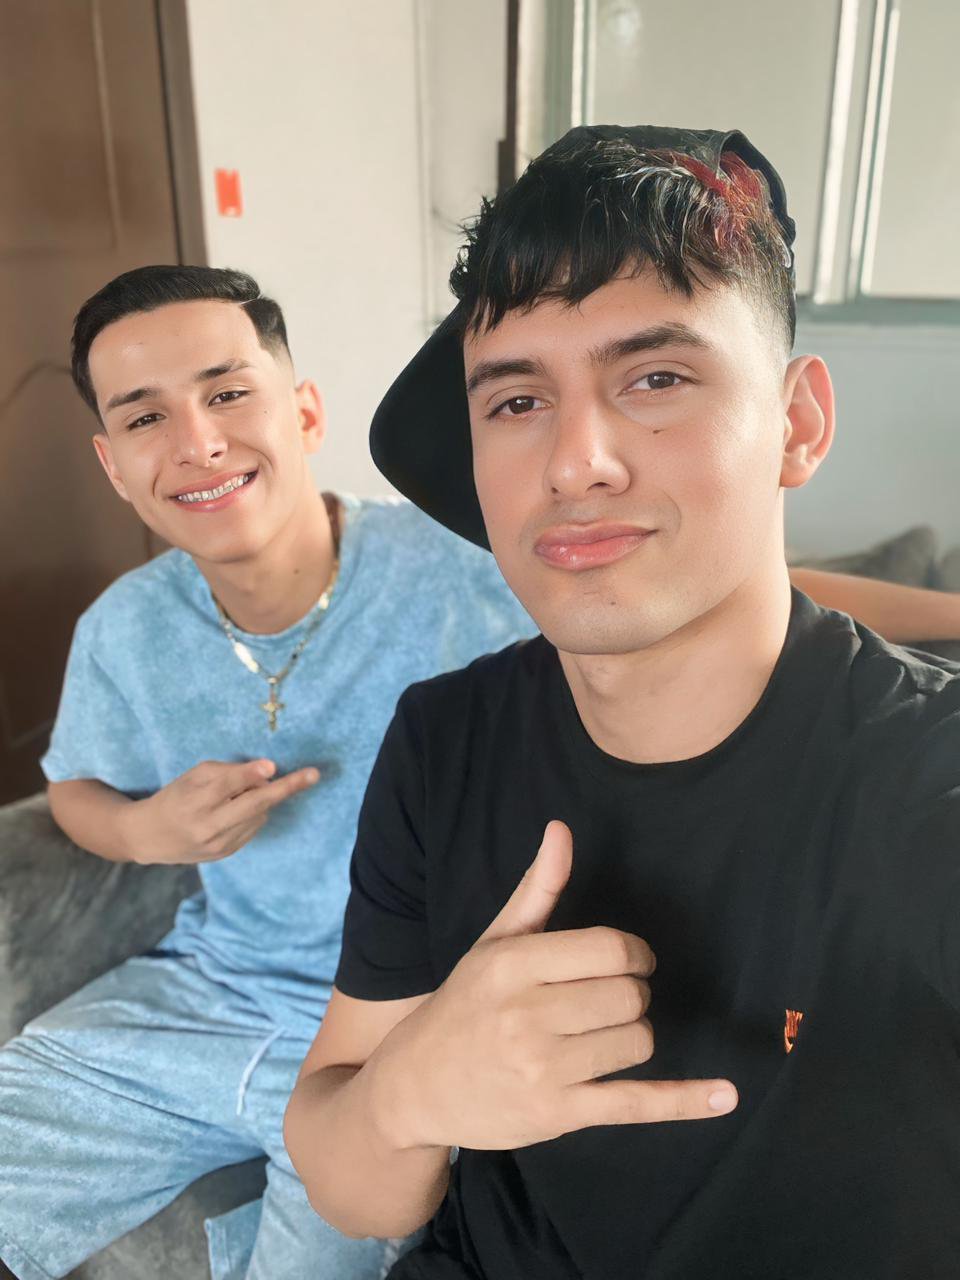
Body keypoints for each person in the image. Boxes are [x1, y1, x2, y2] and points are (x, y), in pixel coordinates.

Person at [285, 126, 960, 1280]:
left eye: (655, 378)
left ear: (798, 422)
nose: (576, 461)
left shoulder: (920, 779)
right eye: (516, 400)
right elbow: (350, 1186)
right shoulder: (445, 739)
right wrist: (411, 1089)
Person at [0, 265, 538, 1280]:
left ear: (306, 412)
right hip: (208, 992)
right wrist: (148, 830)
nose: (198, 442)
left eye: (229, 393)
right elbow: (74, 789)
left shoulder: (467, 571)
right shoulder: (124, 628)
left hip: (400, 1013)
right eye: (146, 417)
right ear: (113, 464)